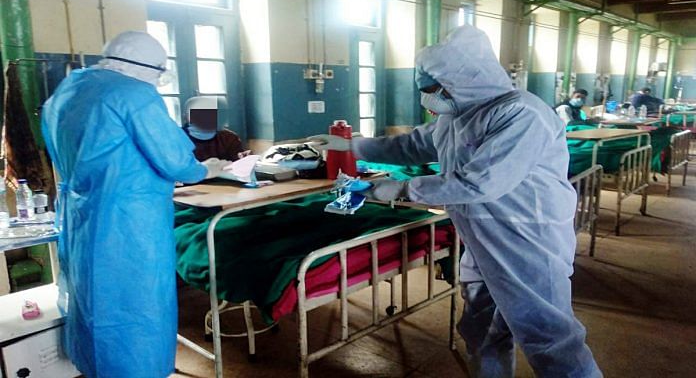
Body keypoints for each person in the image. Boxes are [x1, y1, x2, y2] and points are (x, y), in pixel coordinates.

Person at [311, 25, 601, 377]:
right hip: (480, 236)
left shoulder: (522, 115)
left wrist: (403, 189)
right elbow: (412, 146)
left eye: (434, 91)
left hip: (527, 238)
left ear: (463, 82)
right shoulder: (456, 115)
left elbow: (480, 182)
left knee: (550, 339)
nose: (429, 100)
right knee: (481, 330)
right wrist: (353, 145)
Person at [41, 31, 230, 377]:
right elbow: (176, 163)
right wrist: (208, 168)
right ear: (148, 68)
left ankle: (95, 367)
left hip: (82, 215)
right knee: (136, 307)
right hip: (129, 223)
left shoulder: (69, 90)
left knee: (91, 301)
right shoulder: (134, 94)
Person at [182, 96, 250, 161]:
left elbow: (238, 162)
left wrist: (244, 158)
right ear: (185, 116)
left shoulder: (228, 137)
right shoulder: (178, 137)